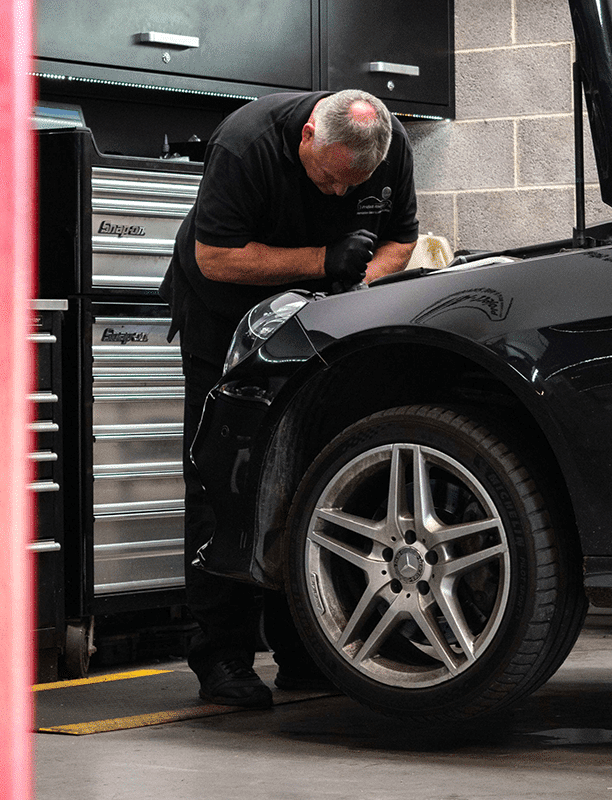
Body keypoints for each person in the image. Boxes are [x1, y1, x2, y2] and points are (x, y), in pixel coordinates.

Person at [160, 89, 419, 708]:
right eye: (328, 180)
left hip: (321, 330)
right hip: (226, 327)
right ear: (307, 136)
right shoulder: (244, 143)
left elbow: (400, 240)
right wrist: (324, 260)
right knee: (227, 485)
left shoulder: (389, 145)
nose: (337, 196)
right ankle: (222, 658)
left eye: (351, 187)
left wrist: (358, 284)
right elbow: (216, 257)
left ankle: (305, 652)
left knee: (313, 479)